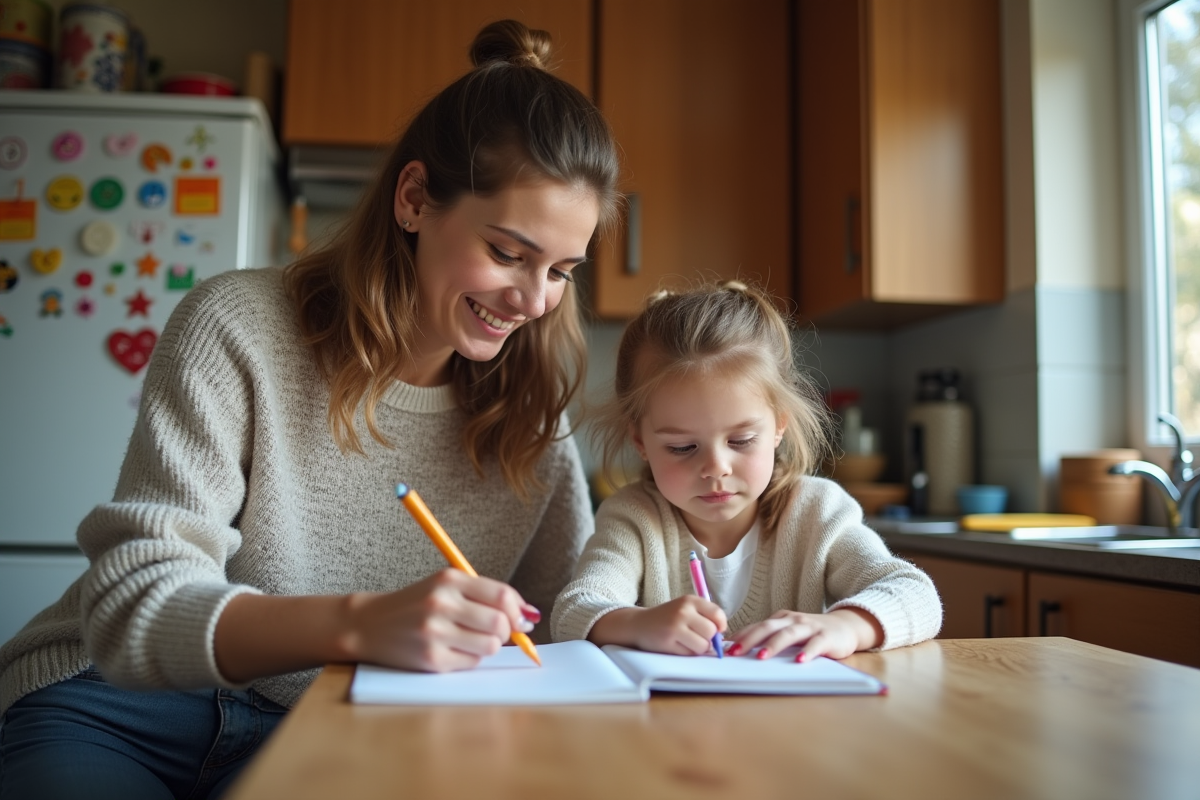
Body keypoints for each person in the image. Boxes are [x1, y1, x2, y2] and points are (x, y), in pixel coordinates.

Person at [0, 19, 619, 800]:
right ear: (415, 199)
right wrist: (360, 624)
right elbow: (133, 612)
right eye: (507, 253)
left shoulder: (529, 414)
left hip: (331, 723)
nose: (534, 300)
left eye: (562, 269)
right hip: (119, 705)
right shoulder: (238, 327)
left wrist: (623, 620)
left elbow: (567, 619)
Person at [551, 281, 942, 661]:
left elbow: (915, 594)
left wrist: (846, 626)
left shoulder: (816, 512)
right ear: (640, 441)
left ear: (779, 425)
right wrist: (637, 624)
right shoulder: (634, 518)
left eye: (740, 441)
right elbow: (574, 609)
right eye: (682, 447)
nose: (716, 468)